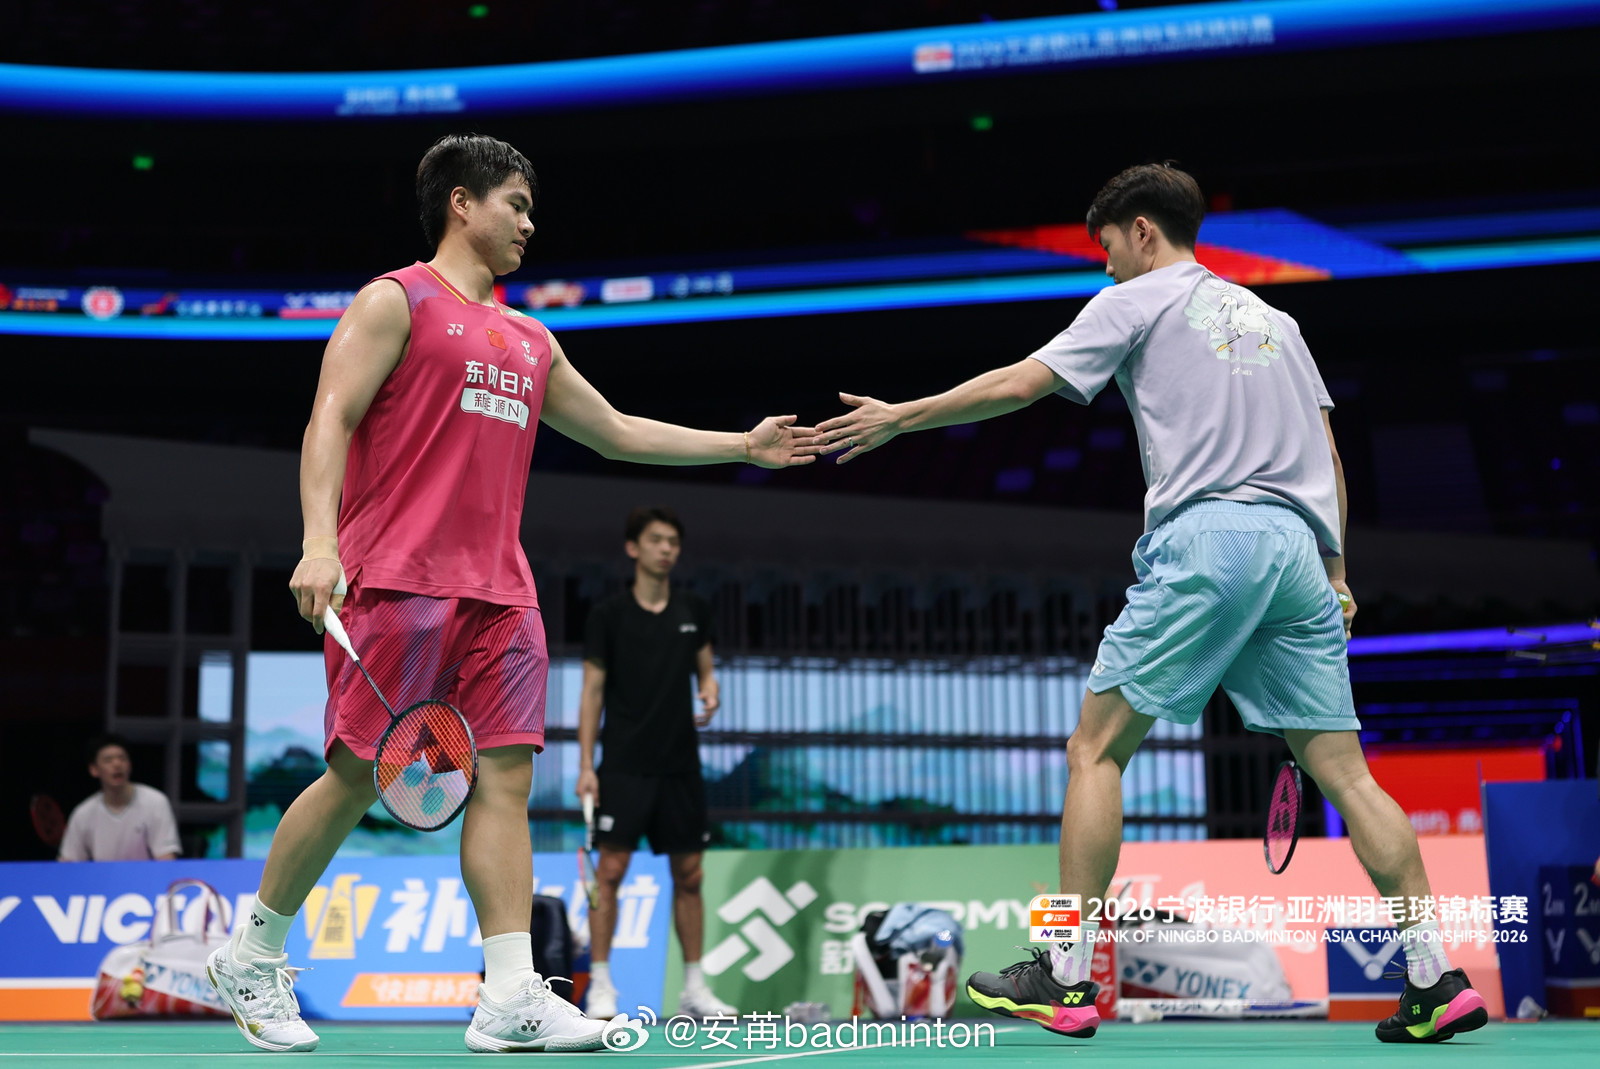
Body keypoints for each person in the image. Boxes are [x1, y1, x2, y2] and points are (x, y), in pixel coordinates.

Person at [815, 162, 1488, 1045]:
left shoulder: (1133, 300)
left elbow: (1020, 384)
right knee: (1348, 774)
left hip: (1209, 538)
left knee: (1095, 748)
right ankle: (1434, 975)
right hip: (1299, 553)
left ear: (1141, 231)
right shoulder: (1278, 321)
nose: (1104, 266)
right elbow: (1327, 458)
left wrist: (902, 416)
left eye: (1106, 246)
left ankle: (1062, 971)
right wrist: (1335, 571)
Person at [205, 133, 819, 1054]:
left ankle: (508, 993)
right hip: (397, 578)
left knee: (505, 776)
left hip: (501, 589)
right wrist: (318, 542)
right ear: (463, 202)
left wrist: (741, 445)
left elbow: (615, 431)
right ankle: (251, 953)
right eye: (517, 205)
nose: (531, 224)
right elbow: (329, 415)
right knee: (356, 771)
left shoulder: (532, 339)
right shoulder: (396, 301)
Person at [576, 506, 735, 1021]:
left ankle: (694, 988)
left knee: (690, 875)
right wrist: (586, 765)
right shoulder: (608, 615)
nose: (667, 549)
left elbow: (705, 672)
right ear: (633, 548)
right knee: (610, 873)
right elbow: (592, 692)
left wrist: (710, 691)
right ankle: (601, 985)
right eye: (656, 540)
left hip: (680, 765)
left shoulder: (693, 609)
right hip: (623, 764)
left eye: (673, 542)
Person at [57, 734, 181, 862]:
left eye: (122, 759)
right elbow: (68, 862)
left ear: (130, 764)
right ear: (94, 769)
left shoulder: (156, 802)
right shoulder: (83, 813)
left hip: (145, 875)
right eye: (108, 760)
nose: (117, 764)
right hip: (101, 875)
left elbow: (166, 858)